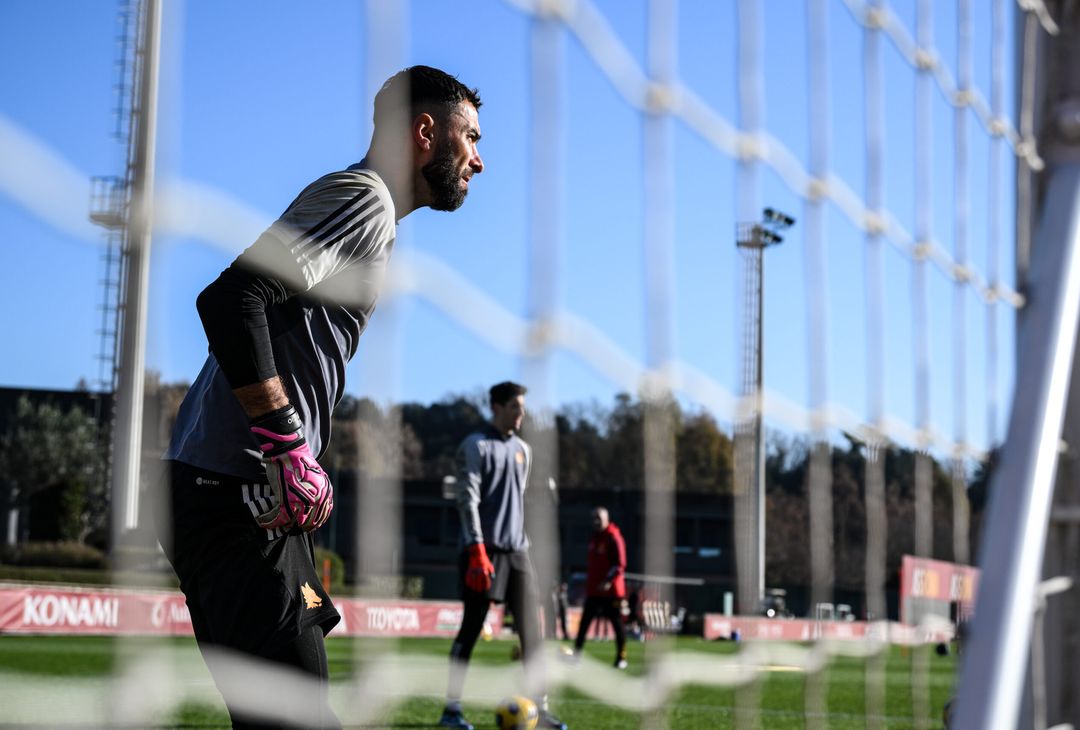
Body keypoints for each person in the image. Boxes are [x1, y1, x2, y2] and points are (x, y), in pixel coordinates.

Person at [156, 65, 485, 729]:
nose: (479, 160)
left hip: (241, 496)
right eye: (471, 138)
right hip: (236, 495)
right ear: (426, 132)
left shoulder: (369, 212)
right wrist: (285, 443)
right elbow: (230, 299)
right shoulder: (363, 198)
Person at [439, 382, 567, 730]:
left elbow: (519, 502)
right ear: (496, 407)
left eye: (523, 407)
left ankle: (540, 709)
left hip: (517, 552)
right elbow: (468, 501)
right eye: (515, 406)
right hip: (482, 552)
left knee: (532, 633)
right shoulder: (474, 446)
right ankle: (451, 710)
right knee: (470, 629)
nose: (521, 413)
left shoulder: (524, 450)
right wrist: (477, 548)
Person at [572, 507, 628, 669]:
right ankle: (577, 655)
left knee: (617, 624)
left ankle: (621, 657)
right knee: (584, 625)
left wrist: (608, 580)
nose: (596, 521)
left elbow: (620, 564)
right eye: (593, 518)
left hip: (611, 592)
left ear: (607, 518)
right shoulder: (594, 538)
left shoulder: (613, 537)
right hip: (594, 591)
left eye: (599, 518)